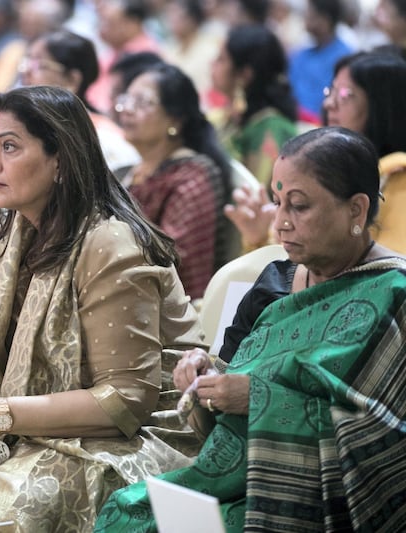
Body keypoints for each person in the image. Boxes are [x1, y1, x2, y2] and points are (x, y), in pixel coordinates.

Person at [0, 85, 207, 532]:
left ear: (61, 160)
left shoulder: (111, 243)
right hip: (31, 423)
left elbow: (124, 402)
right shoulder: (7, 237)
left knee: (15, 503)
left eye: (10, 147)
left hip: (133, 435)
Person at [95, 126, 406, 532]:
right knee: (125, 512)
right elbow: (230, 381)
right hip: (233, 479)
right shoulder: (276, 281)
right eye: (277, 203)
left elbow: (388, 441)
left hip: (314, 503)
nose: (280, 224)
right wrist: (206, 381)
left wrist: (258, 400)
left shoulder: (394, 296)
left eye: (299, 206)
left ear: (357, 210)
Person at [228, 51, 406, 255]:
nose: (329, 103)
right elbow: (304, 270)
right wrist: (259, 240)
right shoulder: (329, 168)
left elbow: (389, 271)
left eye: (345, 95)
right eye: (330, 91)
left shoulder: (399, 178)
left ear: (384, 105)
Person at [117, 62, 233, 299]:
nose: (127, 110)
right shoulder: (133, 172)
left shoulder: (193, 175)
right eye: (127, 99)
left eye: (142, 103)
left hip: (170, 311)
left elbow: (174, 258)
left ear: (175, 120)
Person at [19, 29, 140, 177]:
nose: (25, 71)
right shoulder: (20, 123)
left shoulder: (104, 139)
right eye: (28, 60)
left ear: (72, 80)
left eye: (40, 65)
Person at [210, 24, 298, 186]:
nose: (212, 64)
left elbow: (258, 192)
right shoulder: (228, 115)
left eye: (221, 59)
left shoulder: (269, 126)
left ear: (245, 74)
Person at [288, 0, 353, 121]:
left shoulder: (344, 56)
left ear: (325, 19)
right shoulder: (301, 55)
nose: (305, 17)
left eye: (309, 13)